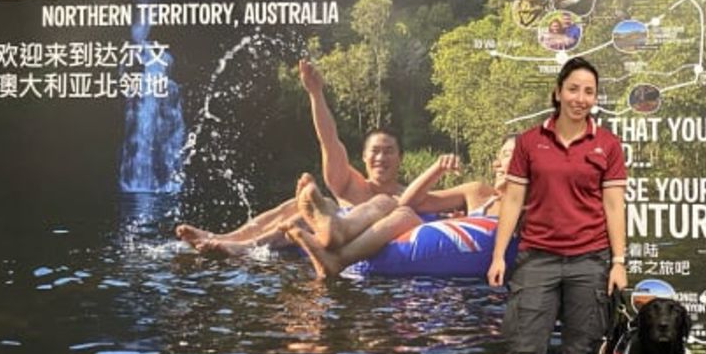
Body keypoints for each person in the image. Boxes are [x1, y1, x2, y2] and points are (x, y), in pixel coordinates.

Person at [486, 57, 628, 354]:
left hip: (589, 263)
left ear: (595, 98)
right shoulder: (530, 142)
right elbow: (514, 199)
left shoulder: (607, 145)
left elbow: (614, 206)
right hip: (536, 260)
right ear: (558, 92)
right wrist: (499, 255)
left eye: (589, 92)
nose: (581, 98)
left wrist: (619, 262)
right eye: (574, 89)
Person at [175, 59, 407, 254]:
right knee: (295, 204)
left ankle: (246, 247)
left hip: (344, 234)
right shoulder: (350, 184)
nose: (381, 158)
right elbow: (329, 140)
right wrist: (316, 94)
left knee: (321, 206)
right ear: (364, 157)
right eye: (375, 151)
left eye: (389, 151)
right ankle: (224, 237)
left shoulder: (407, 195)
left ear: (400, 158)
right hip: (325, 230)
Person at [283, 137, 518, 278]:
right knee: (390, 203)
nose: (496, 163)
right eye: (499, 156)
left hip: (445, 243)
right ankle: (337, 230)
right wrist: (436, 169)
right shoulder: (479, 193)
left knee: (403, 214)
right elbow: (409, 201)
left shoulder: (534, 208)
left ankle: (339, 257)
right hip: (422, 224)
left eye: (507, 155)